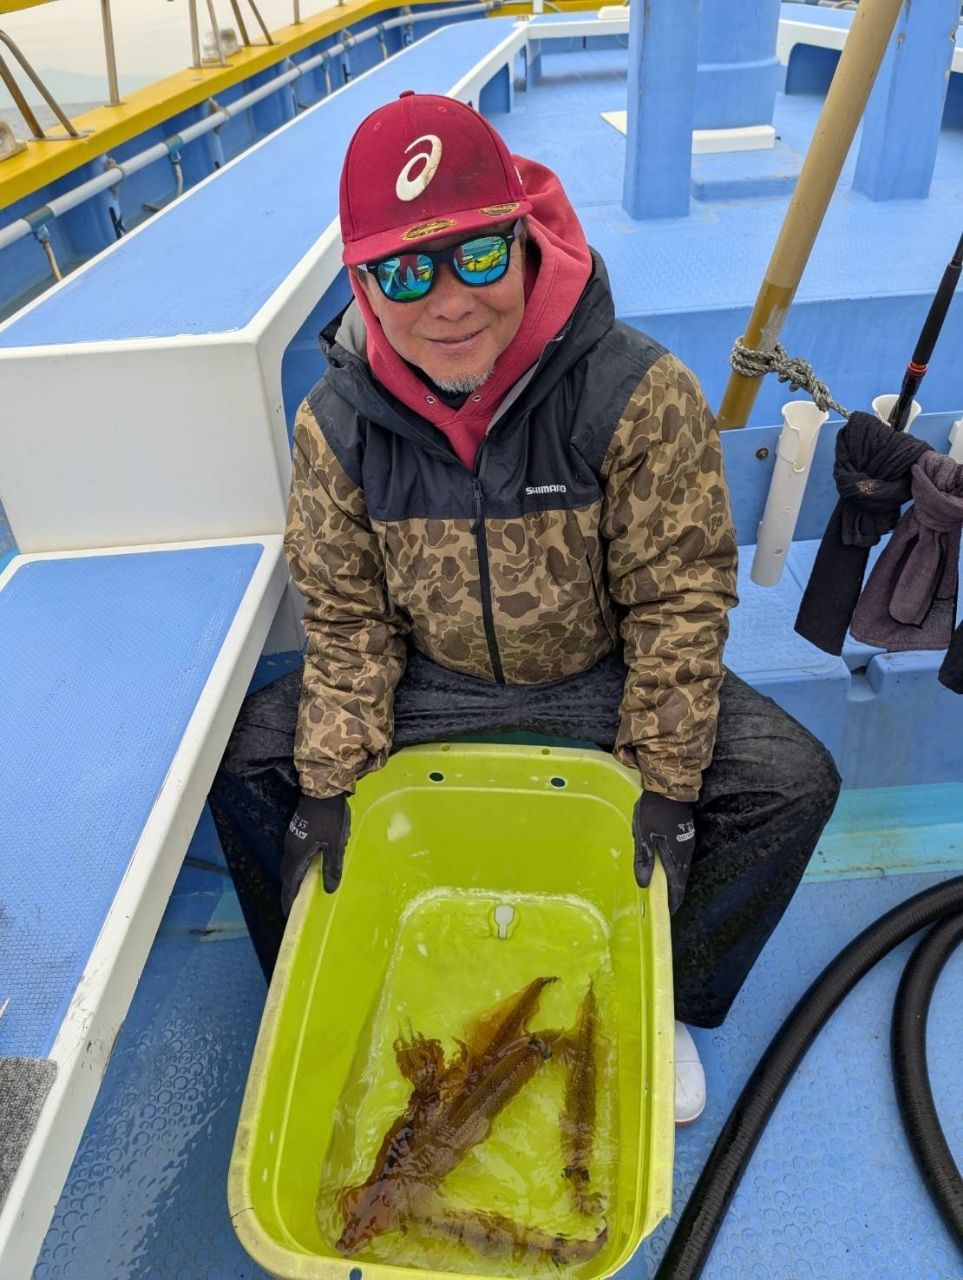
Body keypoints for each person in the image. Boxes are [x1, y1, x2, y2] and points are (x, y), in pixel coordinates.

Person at [209, 91, 841, 1125]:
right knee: (251, 768)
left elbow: (679, 602)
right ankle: (319, 980)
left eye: (476, 256)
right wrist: (327, 789)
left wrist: (669, 786)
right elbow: (349, 620)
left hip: (602, 675)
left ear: (523, 237)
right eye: (406, 271)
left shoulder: (637, 390)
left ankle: (671, 988)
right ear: (364, 284)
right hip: (431, 681)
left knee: (788, 784)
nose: (448, 301)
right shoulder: (336, 426)